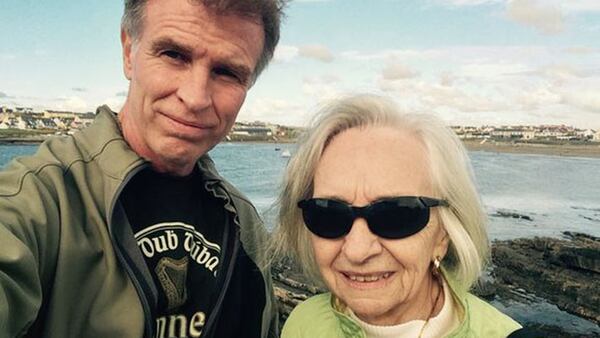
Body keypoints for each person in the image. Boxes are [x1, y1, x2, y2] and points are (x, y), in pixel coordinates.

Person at [0, 0, 285, 337]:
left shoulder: (244, 224)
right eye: (173, 55)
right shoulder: (42, 201)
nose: (195, 98)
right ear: (128, 50)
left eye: (227, 72)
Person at [272, 94, 524, 337]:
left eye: (396, 216)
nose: (357, 251)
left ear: (443, 235)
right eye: (327, 214)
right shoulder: (305, 323)